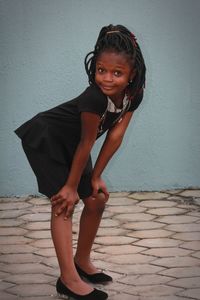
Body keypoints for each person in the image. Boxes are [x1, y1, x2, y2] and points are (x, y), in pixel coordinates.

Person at [15, 24, 146, 300]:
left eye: (117, 73)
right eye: (101, 70)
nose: (107, 79)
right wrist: (71, 187)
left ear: (132, 74)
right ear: (94, 67)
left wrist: (96, 177)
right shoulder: (94, 98)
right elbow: (87, 141)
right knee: (65, 202)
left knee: (97, 199)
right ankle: (68, 280)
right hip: (47, 139)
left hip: (75, 147)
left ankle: (82, 262)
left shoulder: (134, 94)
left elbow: (115, 136)